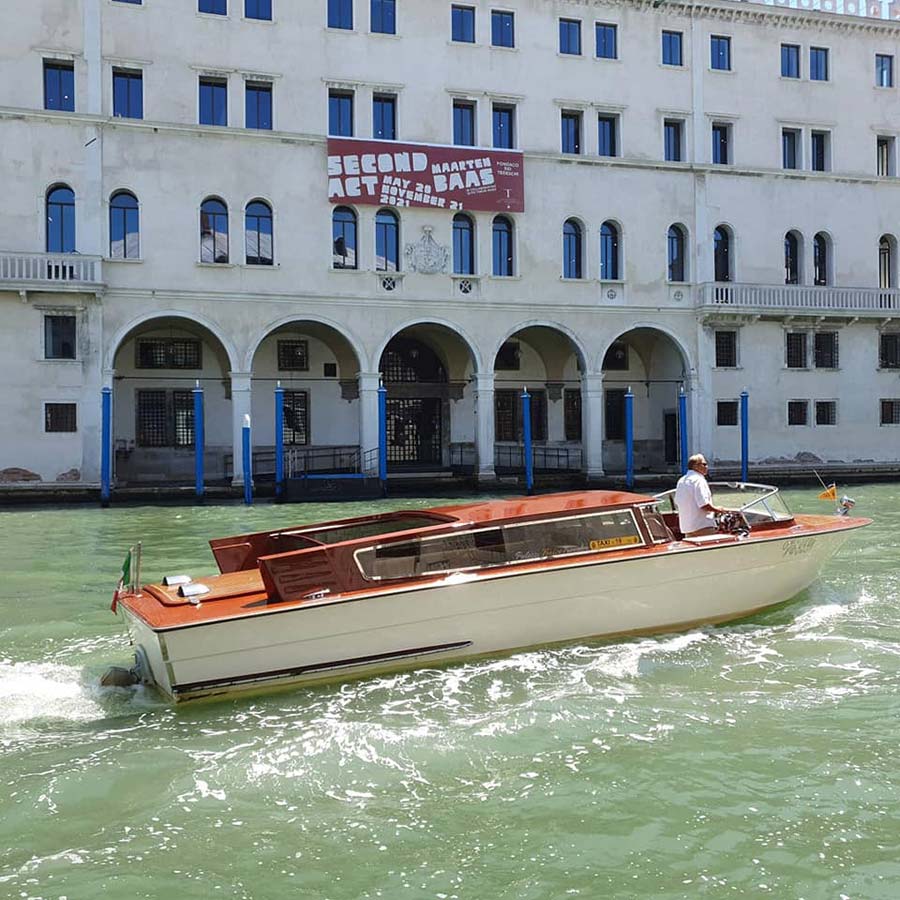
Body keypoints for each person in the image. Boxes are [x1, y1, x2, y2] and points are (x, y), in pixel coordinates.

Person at [674, 454, 726, 537]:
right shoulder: (699, 480)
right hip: (703, 527)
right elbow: (703, 504)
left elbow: (678, 502)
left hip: (687, 528)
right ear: (695, 466)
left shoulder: (681, 480)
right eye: (704, 464)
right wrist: (719, 510)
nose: (707, 467)